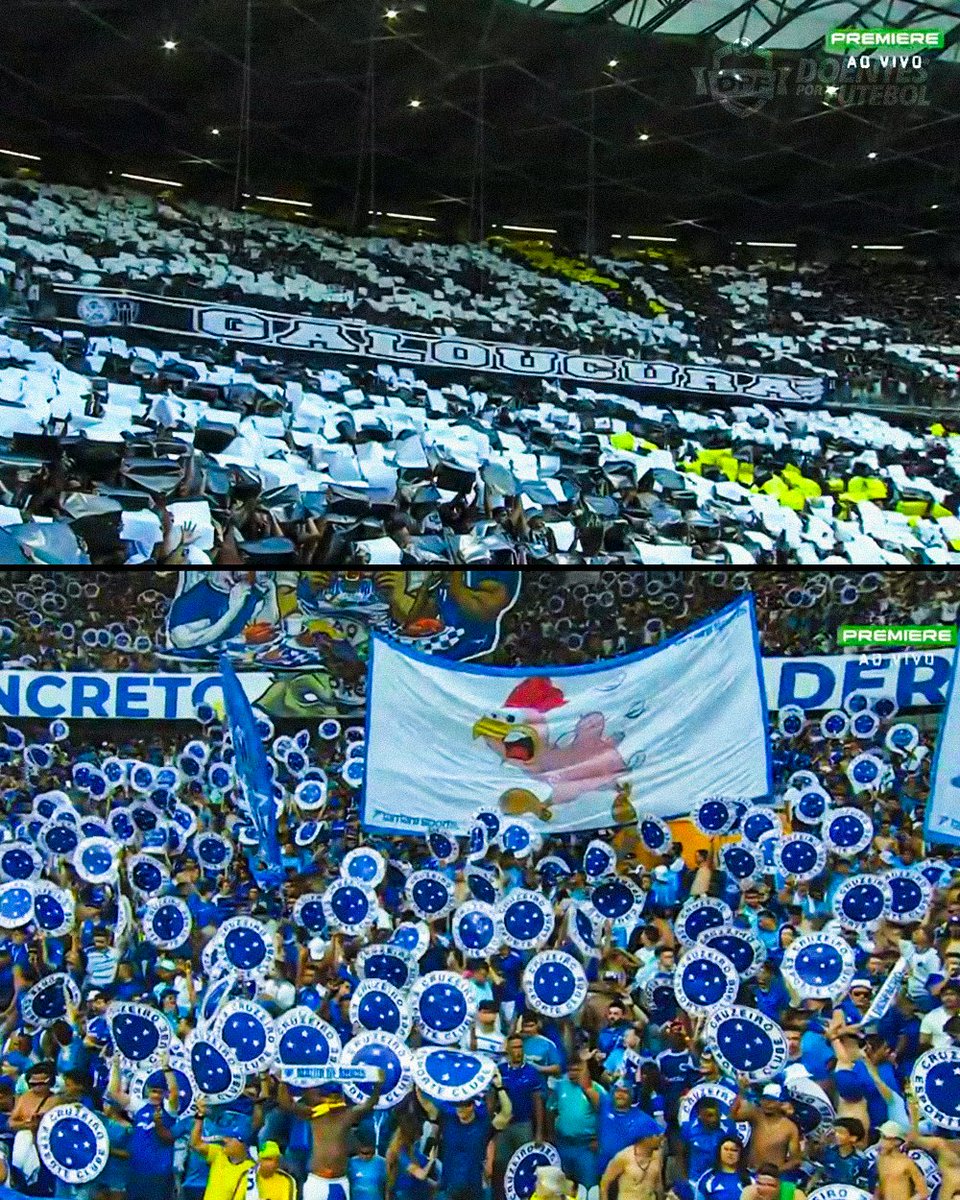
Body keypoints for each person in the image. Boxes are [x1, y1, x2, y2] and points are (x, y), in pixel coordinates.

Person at [278, 1071, 385, 1200]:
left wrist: (378, 1083)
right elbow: (286, 1104)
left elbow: (370, 1104)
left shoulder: (348, 1115)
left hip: (338, 1180)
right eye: (331, 1096)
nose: (333, 1099)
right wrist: (282, 1081)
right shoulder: (314, 1114)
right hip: (317, 1180)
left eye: (336, 1096)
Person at [415, 1069, 512, 1200]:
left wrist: (499, 1087)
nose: (460, 1109)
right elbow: (427, 1105)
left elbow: (506, 1113)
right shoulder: (447, 1119)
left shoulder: (483, 1125)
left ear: (472, 1105)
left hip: (474, 1190)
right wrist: (419, 1083)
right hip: (448, 1188)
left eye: (464, 1105)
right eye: (457, 1105)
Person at [549, 1056, 605, 1191]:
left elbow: (606, 1116)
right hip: (563, 1145)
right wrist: (550, 1134)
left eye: (577, 1070)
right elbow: (551, 1109)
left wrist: (599, 1139)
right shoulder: (560, 1086)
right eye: (570, 1070)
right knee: (563, 1188)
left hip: (586, 1148)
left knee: (588, 1188)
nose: (573, 1073)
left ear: (584, 1070)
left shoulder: (596, 1089)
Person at [189, 1102, 258, 1200]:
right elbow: (195, 1144)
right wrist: (199, 1117)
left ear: (242, 1143)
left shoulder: (250, 1169)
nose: (225, 1140)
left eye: (230, 1138)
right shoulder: (219, 1153)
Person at [730, 1081, 801, 1174]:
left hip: (774, 1177)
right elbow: (733, 1116)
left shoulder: (790, 1128)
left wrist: (773, 1172)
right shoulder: (756, 1115)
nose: (767, 1104)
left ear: (780, 1103)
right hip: (749, 1172)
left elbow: (796, 1160)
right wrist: (741, 1092)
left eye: (772, 1101)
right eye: (764, 1099)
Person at [599, 1134, 664, 1200]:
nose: (662, 1137)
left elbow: (658, 1184)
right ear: (646, 1137)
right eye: (657, 1135)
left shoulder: (658, 1156)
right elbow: (604, 1184)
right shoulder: (623, 1156)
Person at [875, 1122, 929, 1200]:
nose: (881, 1142)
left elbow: (923, 1193)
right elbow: (880, 1185)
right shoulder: (880, 1160)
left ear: (896, 1141)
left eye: (884, 1138)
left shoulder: (907, 1163)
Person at [815, 1119, 870, 1189]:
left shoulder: (861, 1159)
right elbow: (818, 1173)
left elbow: (864, 1185)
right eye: (835, 1132)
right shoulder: (827, 1152)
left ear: (853, 1138)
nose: (836, 1135)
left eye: (841, 1132)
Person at [349, 1130, 388, 1200]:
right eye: (362, 1153)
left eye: (368, 1153)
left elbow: (387, 1187)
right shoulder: (351, 1163)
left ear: (373, 1150)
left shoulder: (382, 1163)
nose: (365, 1156)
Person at [739, 1164, 806, 1200]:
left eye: (770, 1185)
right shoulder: (749, 1192)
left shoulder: (794, 1193)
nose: (765, 1189)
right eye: (760, 1184)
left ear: (779, 1185)